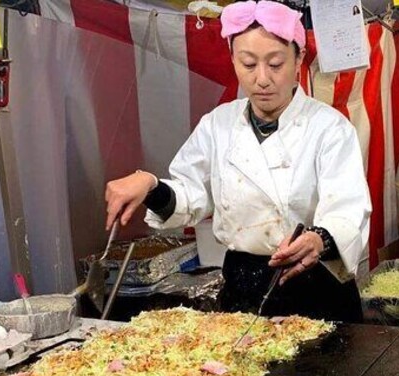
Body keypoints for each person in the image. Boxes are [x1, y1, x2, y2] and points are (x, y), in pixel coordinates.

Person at [104, 0, 371, 322]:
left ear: (299, 58)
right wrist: (150, 186)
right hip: (244, 284)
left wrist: (320, 238)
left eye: (275, 64)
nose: (262, 79)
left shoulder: (329, 127)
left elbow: (347, 206)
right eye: (248, 64)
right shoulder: (217, 125)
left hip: (314, 283)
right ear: (232, 59)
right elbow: (190, 196)